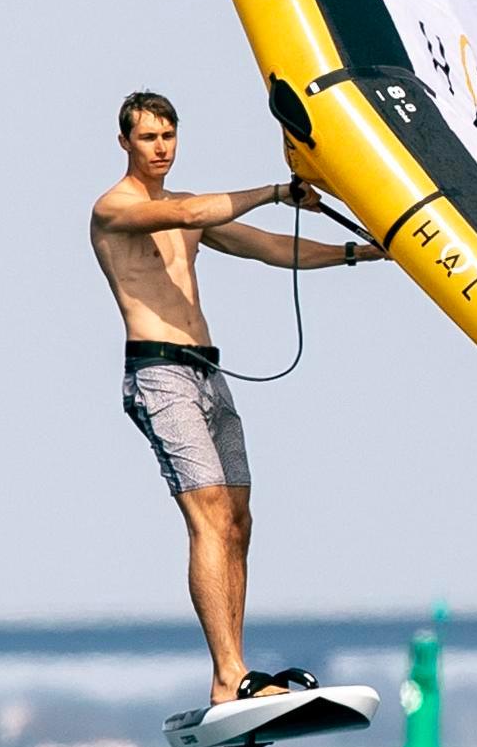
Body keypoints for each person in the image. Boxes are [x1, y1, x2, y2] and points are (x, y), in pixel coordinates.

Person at [87, 89, 381, 706]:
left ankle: (238, 672)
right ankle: (228, 676)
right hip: (159, 376)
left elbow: (270, 247)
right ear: (124, 143)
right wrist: (279, 189)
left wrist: (365, 253)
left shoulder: (187, 208)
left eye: (169, 136)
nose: (160, 148)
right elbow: (194, 215)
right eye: (148, 138)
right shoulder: (114, 209)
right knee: (211, 514)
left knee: (239, 522)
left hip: (209, 376)